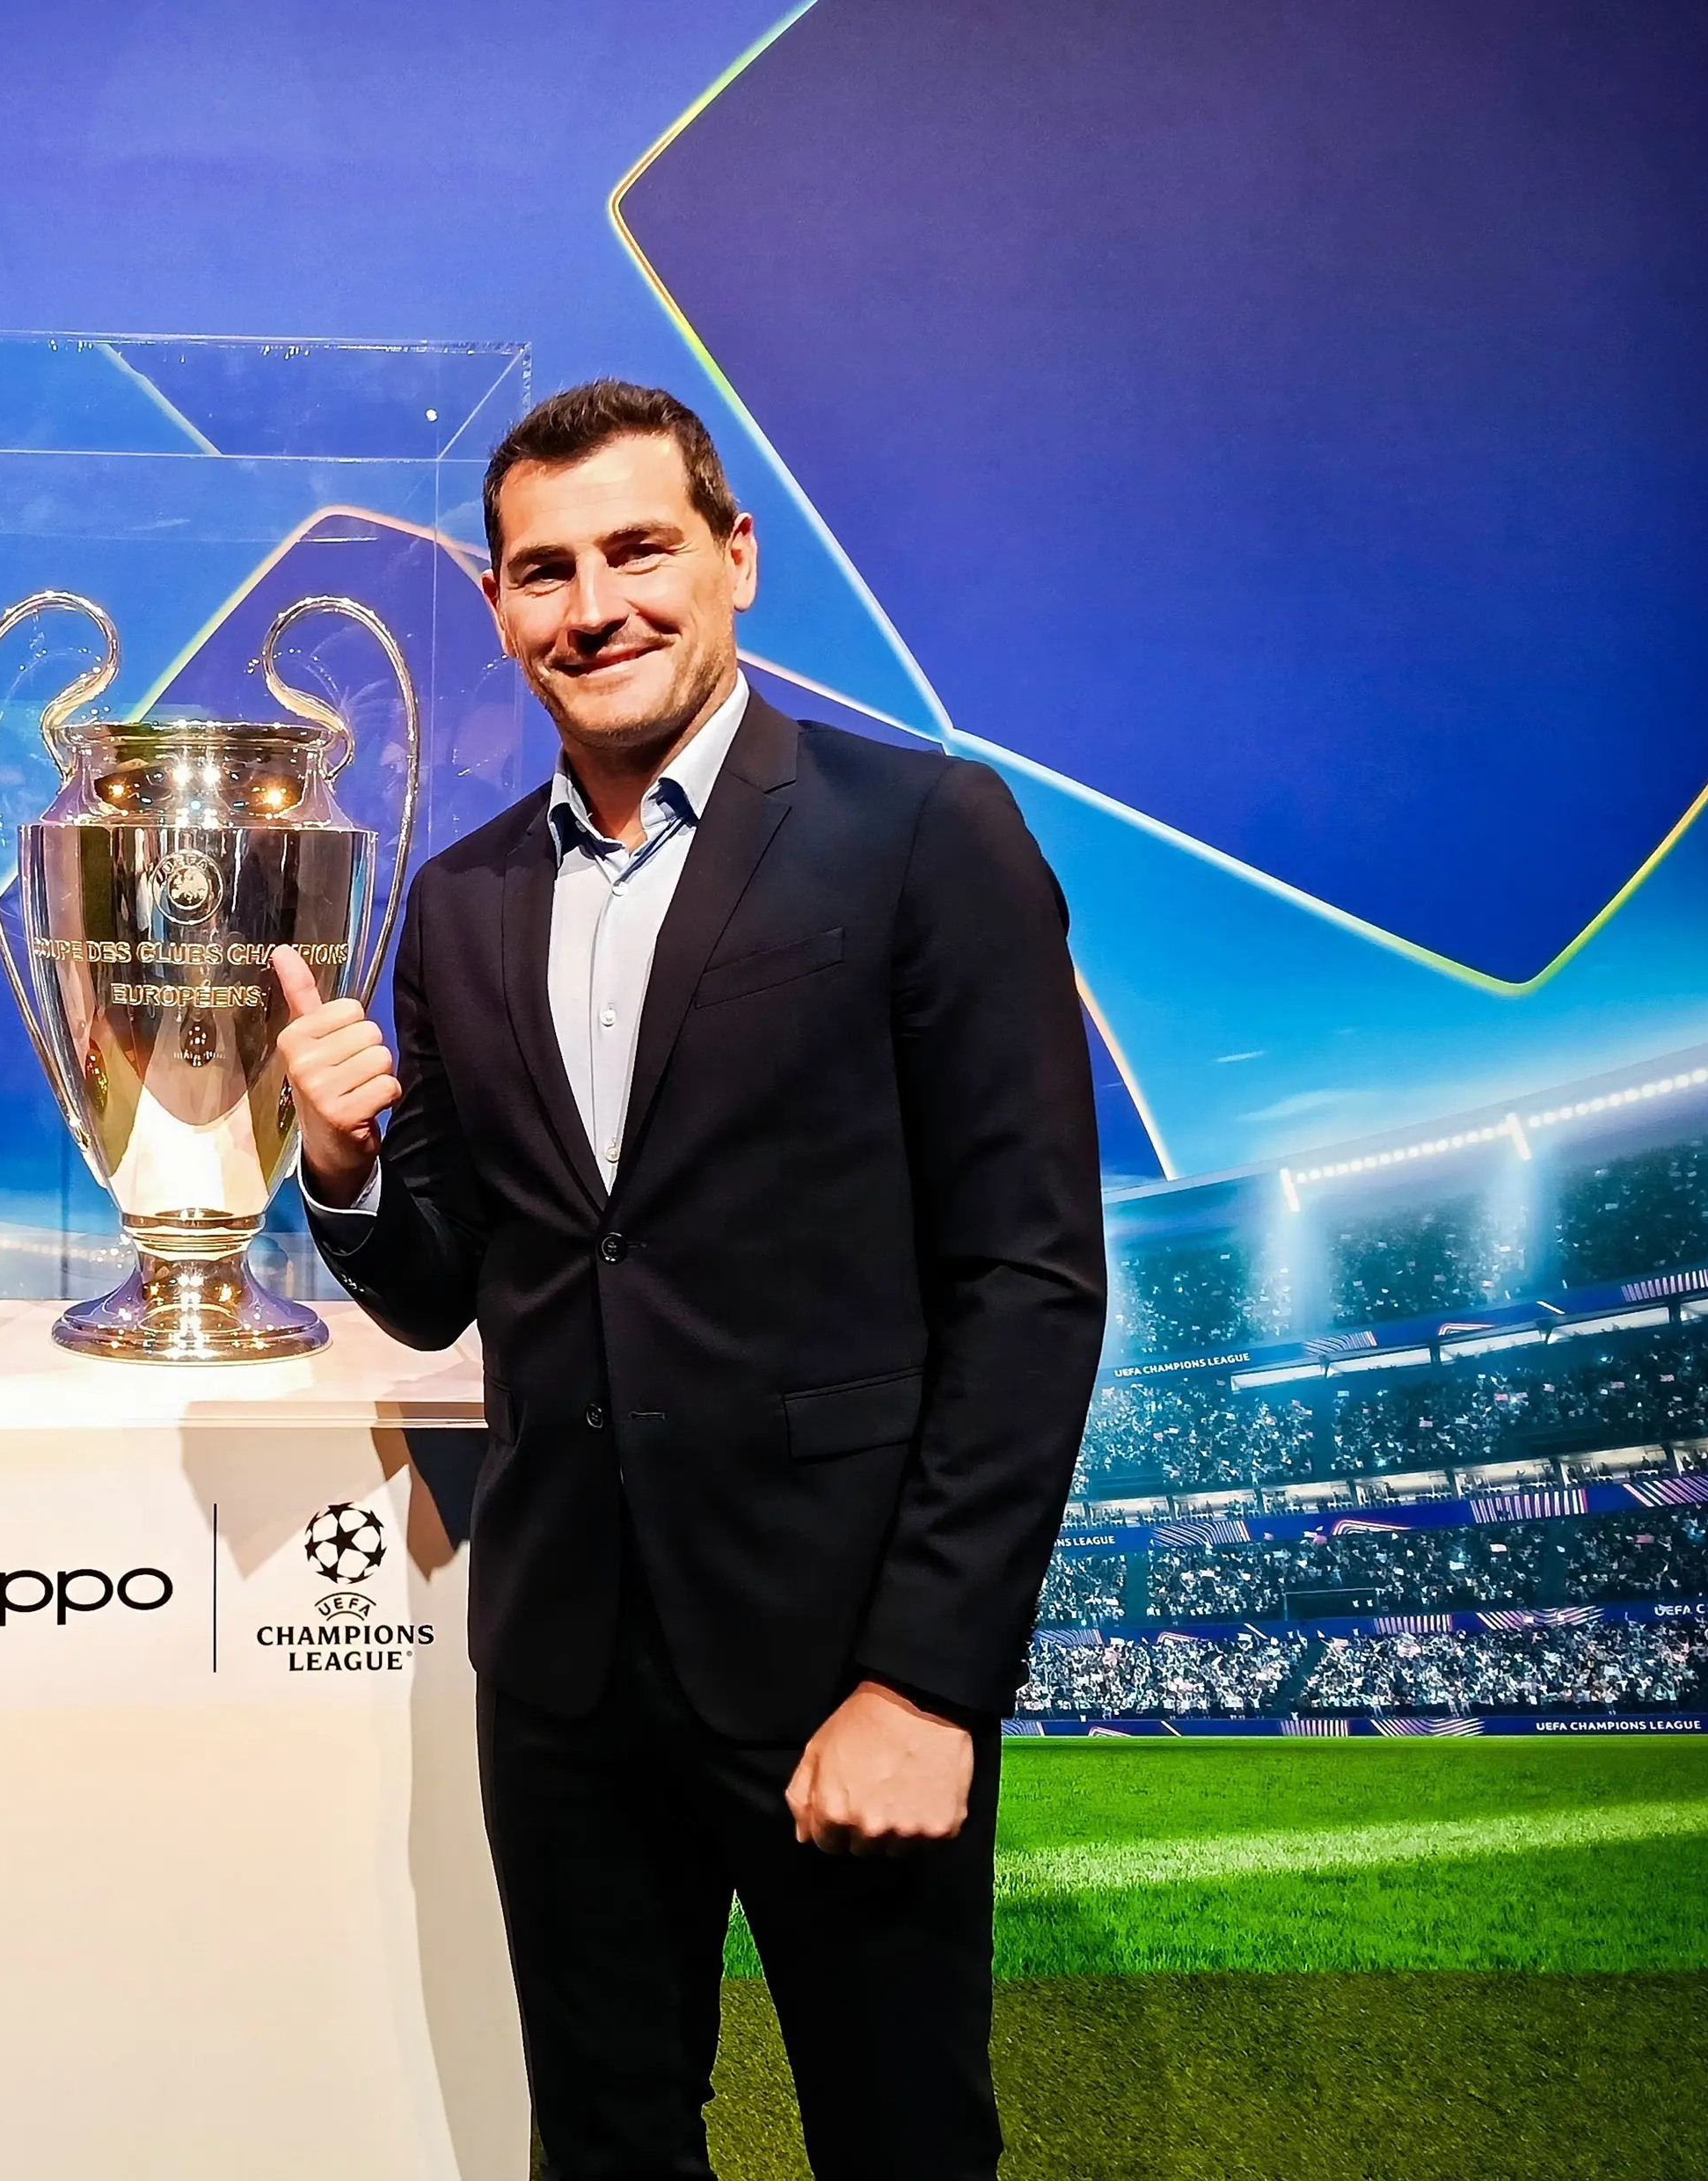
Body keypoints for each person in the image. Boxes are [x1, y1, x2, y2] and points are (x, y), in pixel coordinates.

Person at [268, 380, 1105, 2179]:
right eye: (541, 570)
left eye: (638, 548)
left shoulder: (921, 833)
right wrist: (334, 1167)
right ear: (497, 608)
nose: (594, 605)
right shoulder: (463, 899)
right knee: (604, 2139)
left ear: (733, 559)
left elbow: (1027, 1283)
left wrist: (925, 1687)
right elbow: (443, 1290)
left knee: (897, 2142)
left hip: (835, 1671)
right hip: (560, 1675)